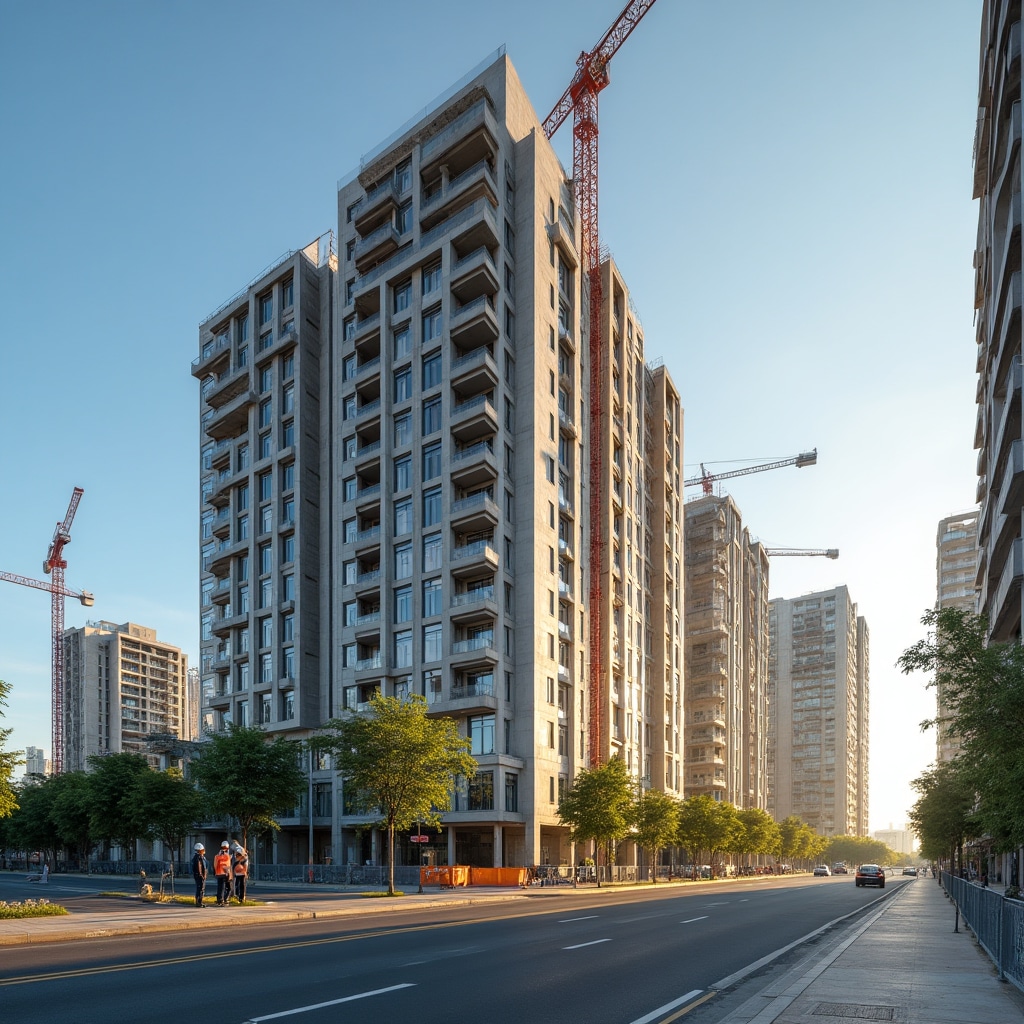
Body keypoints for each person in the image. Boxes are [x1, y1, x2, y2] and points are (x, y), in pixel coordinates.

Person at [213, 841, 232, 906]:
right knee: (226, 888)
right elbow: (228, 866)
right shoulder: (227, 856)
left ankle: (219, 899)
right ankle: (223, 900)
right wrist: (229, 875)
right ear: (227, 847)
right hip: (225, 873)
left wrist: (215, 872)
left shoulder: (217, 855)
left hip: (218, 873)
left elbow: (215, 865)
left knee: (219, 887)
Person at [191, 843, 208, 908]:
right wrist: (202, 875)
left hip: (199, 875)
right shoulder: (198, 858)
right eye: (202, 849)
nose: (204, 851)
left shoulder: (200, 857)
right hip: (199, 876)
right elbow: (199, 867)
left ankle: (199, 901)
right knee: (200, 888)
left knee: (200, 888)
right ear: (199, 850)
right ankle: (199, 902)